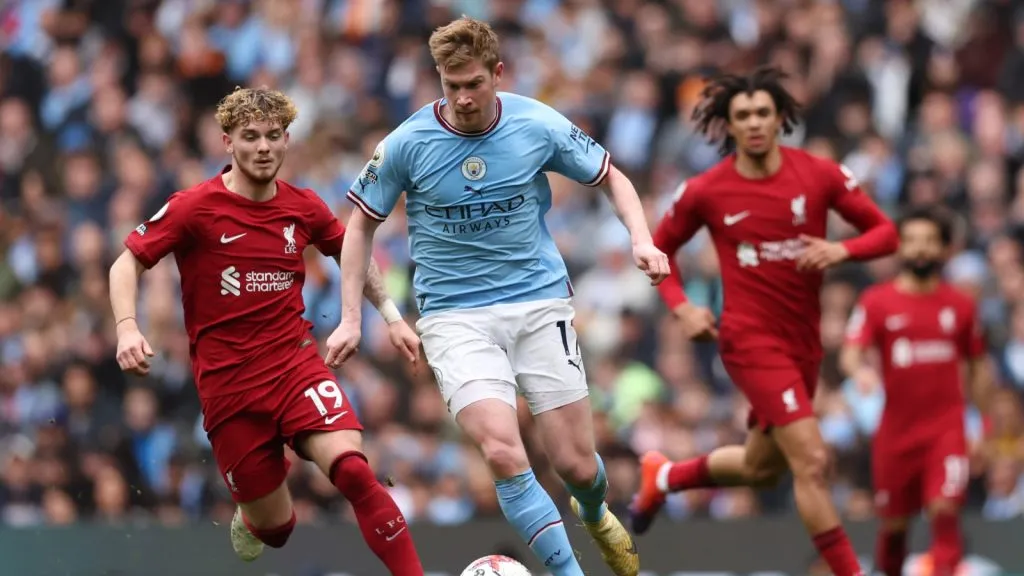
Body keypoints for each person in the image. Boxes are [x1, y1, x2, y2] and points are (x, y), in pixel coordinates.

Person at [326, 16, 670, 576]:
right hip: (453, 316)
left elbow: (612, 177)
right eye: (450, 84)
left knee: (577, 465)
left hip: (538, 302)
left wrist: (641, 238)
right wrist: (349, 320)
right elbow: (358, 227)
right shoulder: (406, 144)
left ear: (498, 74)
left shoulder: (537, 123)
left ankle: (595, 512)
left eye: (473, 84)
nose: (462, 98)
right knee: (503, 451)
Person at [109, 87, 425, 575]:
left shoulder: (304, 207)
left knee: (355, 473)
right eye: (250, 136)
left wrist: (391, 315)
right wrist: (128, 328)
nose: (263, 147)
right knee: (277, 529)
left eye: (273, 136)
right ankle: (255, 515)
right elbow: (126, 264)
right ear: (227, 143)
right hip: (229, 388)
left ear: (286, 140)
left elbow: (352, 255)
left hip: (294, 365)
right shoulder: (195, 208)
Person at [629, 67, 899, 576]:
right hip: (749, 339)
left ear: (780, 120)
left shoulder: (819, 174)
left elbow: (885, 234)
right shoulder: (706, 190)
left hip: (804, 344)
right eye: (742, 116)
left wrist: (841, 249)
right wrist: (681, 306)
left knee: (762, 467)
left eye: (762, 113)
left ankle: (663, 477)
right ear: (729, 126)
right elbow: (658, 249)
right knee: (813, 462)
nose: (753, 123)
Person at [840, 207, 991, 576]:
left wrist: (983, 427)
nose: (921, 250)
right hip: (897, 432)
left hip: (946, 428)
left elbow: (978, 368)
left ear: (943, 249)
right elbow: (850, 353)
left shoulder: (961, 305)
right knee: (894, 527)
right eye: (912, 241)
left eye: (929, 241)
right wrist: (860, 372)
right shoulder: (877, 301)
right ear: (900, 248)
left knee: (944, 509)